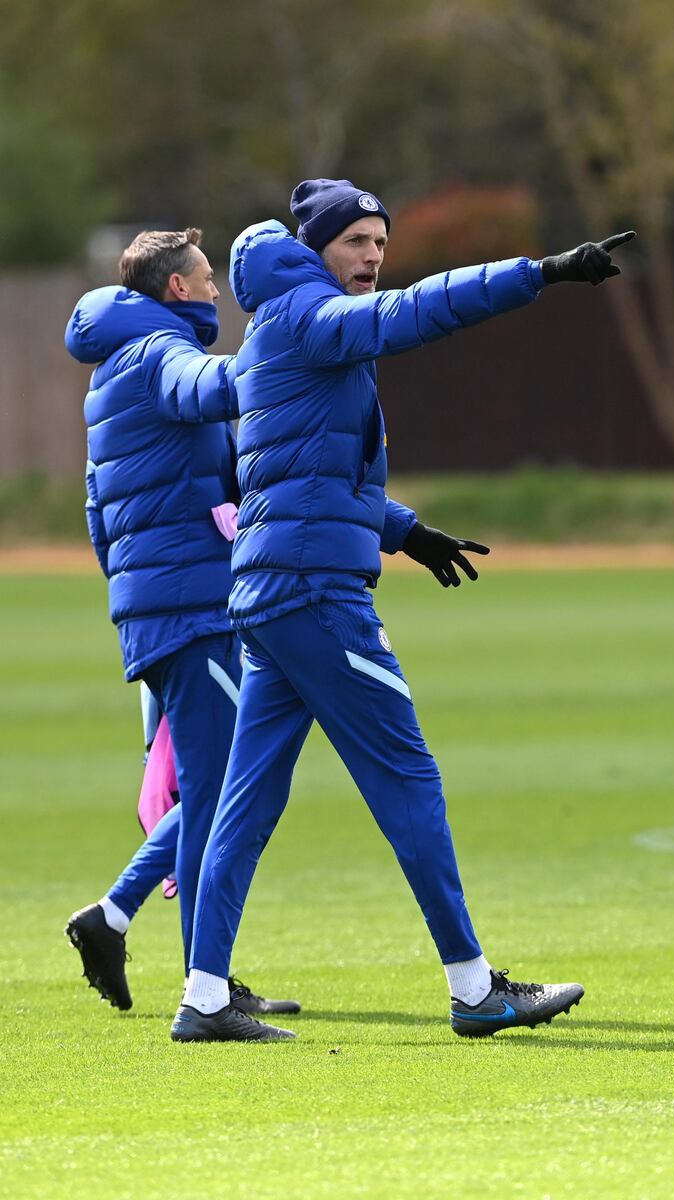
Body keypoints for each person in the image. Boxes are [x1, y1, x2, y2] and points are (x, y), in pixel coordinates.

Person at [172, 180, 635, 1043]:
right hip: (314, 593)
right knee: (407, 777)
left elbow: (292, 475)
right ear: (315, 251)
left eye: (380, 242)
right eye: (354, 241)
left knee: (248, 797)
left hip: (271, 593)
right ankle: (474, 988)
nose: (374, 257)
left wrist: (403, 530)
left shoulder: (275, 326)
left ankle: (203, 997)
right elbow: (416, 312)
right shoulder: (312, 315)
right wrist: (538, 273)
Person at [64, 229, 298, 1033]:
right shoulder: (156, 356)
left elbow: (100, 516)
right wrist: (283, 362)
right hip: (190, 610)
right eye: (206, 280)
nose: (217, 292)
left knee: (214, 789)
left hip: (166, 607)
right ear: (175, 290)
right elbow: (211, 386)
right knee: (224, 791)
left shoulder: (115, 368)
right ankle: (199, 986)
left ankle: (141, 932)